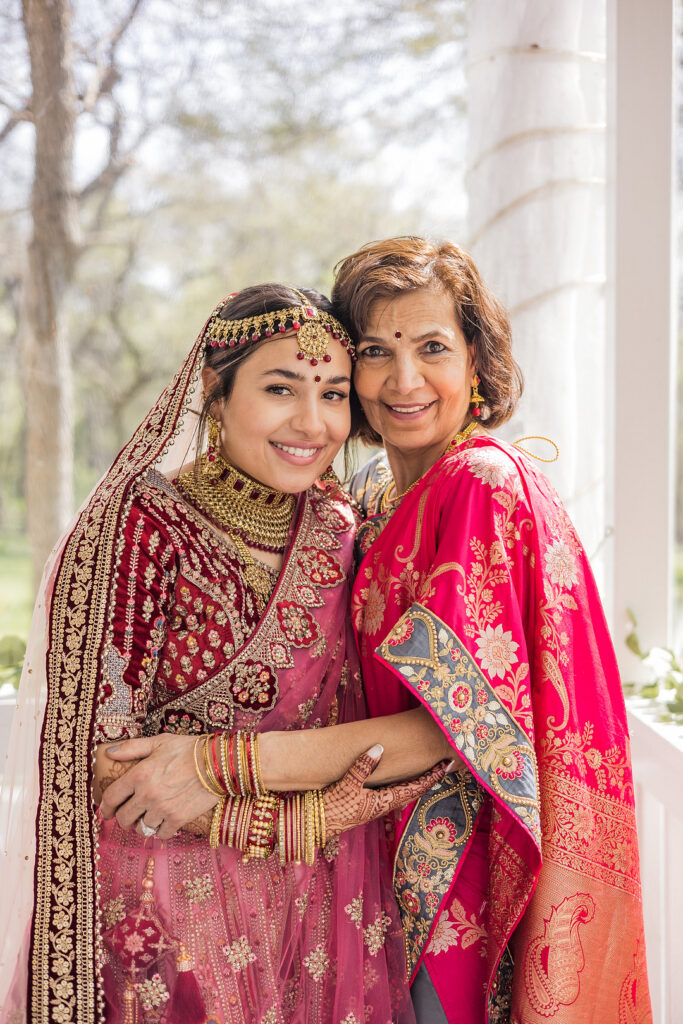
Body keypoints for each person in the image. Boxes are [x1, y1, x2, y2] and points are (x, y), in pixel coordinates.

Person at [0, 284, 446, 1024]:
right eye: (280, 389)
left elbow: (420, 710)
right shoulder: (136, 531)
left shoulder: (345, 527)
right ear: (213, 389)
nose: (312, 422)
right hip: (165, 915)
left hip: (321, 908)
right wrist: (297, 822)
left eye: (333, 394)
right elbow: (102, 762)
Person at [329, 236, 654, 1023]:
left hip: (465, 878)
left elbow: (451, 729)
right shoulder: (374, 497)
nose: (404, 380)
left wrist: (226, 767)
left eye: (431, 347)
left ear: (475, 360)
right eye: (376, 351)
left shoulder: (479, 481)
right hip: (371, 858)